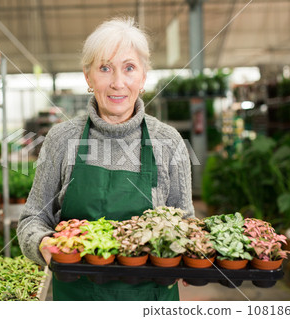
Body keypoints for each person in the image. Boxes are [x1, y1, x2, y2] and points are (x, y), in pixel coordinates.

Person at [17, 17, 194, 301]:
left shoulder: (168, 141)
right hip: (78, 299)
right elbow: (32, 220)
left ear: (143, 77)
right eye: (104, 68)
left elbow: (185, 223)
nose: (117, 83)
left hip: (150, 300)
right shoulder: (62, 139)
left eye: (129, 68)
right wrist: (43, 245)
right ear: (88, 77)